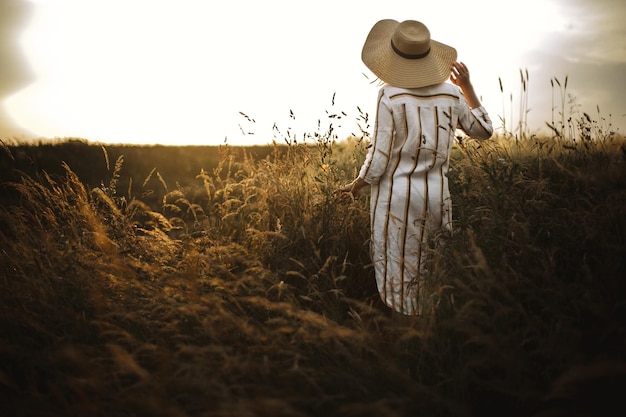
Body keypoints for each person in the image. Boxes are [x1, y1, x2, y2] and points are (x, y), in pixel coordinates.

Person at [339, 19, 493, 317]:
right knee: (433, 264)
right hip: (438, 196)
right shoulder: (452, 94)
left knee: (398, 265)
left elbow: (380, 156)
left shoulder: (390, 95)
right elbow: (484, 130)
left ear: (394, 58)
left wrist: (357, 184)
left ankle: (407, 335)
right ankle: (434, 329)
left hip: (396, 199)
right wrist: (467, 86)